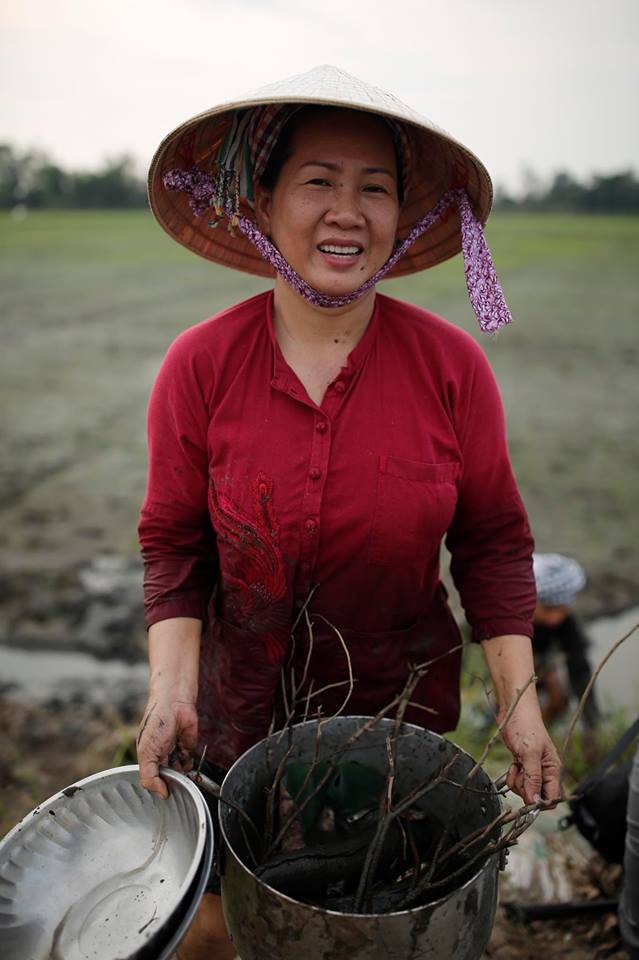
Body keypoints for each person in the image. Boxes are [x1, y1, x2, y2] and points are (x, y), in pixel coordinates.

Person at [136, 65, 561, 959]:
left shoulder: (452, 369)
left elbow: (490, 544)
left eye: (374, 189)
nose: (347, 210)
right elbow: (174, 547)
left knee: (379, 928)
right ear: (263, 201)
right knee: (218, 932)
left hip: (395, 737)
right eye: (318, 182)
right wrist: (170, 695)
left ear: (401, 220)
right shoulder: (200, 365)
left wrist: (519, 708)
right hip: (233, 723)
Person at [532, 552, 601, 729]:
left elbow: (580, 670)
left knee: (560, 695)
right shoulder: (512, 622)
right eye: (547, 609)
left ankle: (540, 731)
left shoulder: (567, 624)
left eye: (561, 609)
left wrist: (592, 725)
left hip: (541, 662)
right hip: (515, 664)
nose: (554, 619)